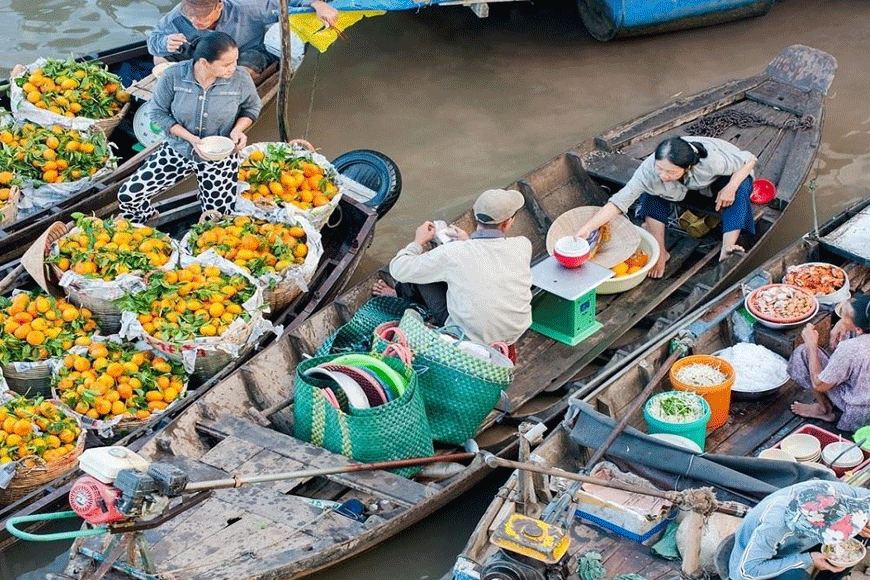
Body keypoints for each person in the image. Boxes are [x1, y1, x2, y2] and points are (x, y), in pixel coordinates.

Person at [118, 32, 259, 223]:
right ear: (204, 63)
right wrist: (191, 139)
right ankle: (148, 221)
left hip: (219, 155)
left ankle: (208, 212)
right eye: (226, 64)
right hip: (179, 149)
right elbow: (157, 113)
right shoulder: (173, 76)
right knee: (129, 196)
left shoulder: (240, 78)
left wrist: (238, 130)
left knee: (217, 218)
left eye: (235, 62)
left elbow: (252, 107)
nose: (233, 68)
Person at [575, 136, 757, 278]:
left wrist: (730, 187)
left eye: (670, 171)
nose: (663, 174)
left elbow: (749, 160)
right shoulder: (649, 171)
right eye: (659, 168)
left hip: (719, 178)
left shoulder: (712, 161)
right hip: (680, 188)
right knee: (651, 194)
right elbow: (618, 202)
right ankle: (660, 252)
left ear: (687, 168)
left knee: (740, 190)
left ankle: (728, 245)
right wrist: (587, 228)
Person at [375, 188, 533, 350]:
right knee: (453, 272)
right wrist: (467, 240)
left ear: (475, 214)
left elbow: (398, 269)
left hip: (469, 337)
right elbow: (489, 256)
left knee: (422, 274)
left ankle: (400, 296)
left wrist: (418, 241)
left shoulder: (454, 252)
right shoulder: (523, 245)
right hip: (515, 331)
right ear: (507, 223)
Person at [147, 0, 338, 79]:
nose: (196, 21)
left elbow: (287, 1)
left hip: (247, 50)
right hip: (207, 51)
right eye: (191, 16)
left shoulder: (247, 7)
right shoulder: (178, 15)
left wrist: (317, 4)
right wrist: (164, 42)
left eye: (203, 16)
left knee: (242, 75)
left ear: (219, 7)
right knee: (160, 58)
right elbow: (153, 41)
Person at [729, 480, 870, 580]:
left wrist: (861, 519)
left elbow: (865, 497)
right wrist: (807, 559)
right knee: (797, 577)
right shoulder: (775, 527)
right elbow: (746, 572)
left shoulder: (825, 491)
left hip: (800, 541)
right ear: (812, 528)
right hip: (765, 559)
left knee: (855, 545)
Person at [788, 294, 870, 430]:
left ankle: (823, 409)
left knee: (802, 353)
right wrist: (842, 323)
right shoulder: (861, 334)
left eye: (845, 317)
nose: (842, 318)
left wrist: (811, 346)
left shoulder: (852, 349)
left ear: (859, 329)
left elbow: (819, 384)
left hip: (859, 412)